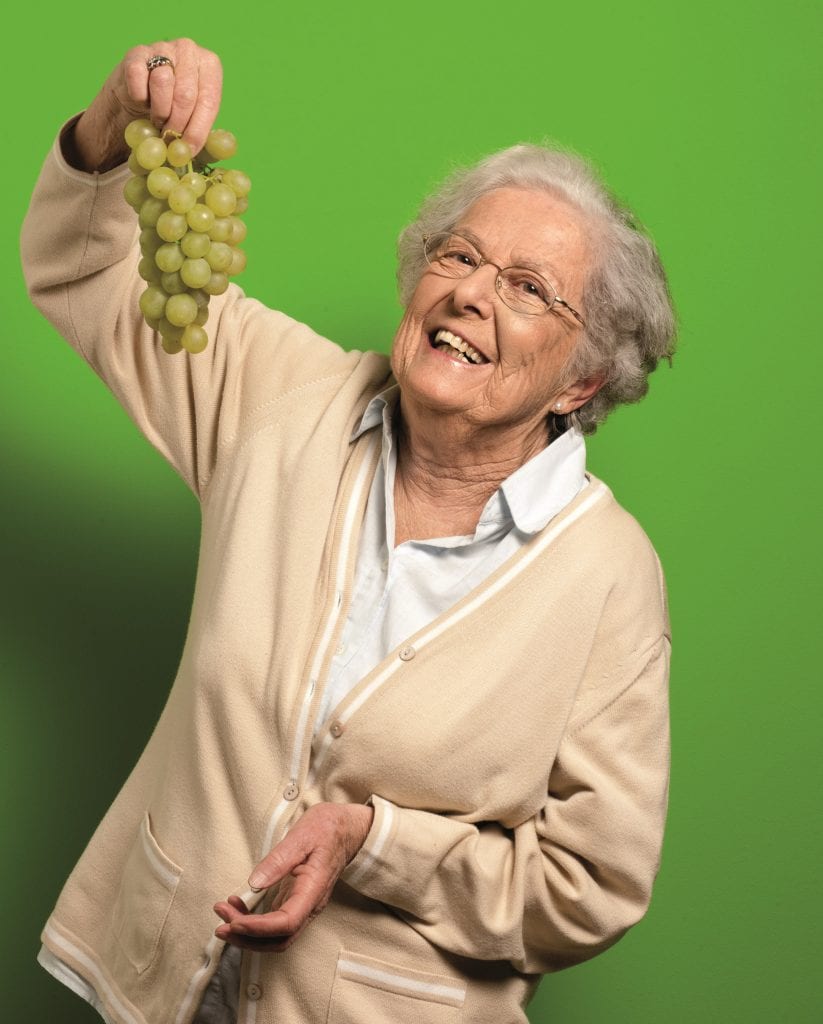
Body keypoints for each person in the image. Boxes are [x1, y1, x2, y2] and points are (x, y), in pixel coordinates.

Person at [22, 37, 675, 1024]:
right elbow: (82, 270)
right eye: (459, 254)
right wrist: (113, 119)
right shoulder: (283, 399)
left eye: (529, 287)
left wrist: (373, 844)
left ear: (581, 381)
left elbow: (590, 884)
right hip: (161, 982)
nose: (470, 292)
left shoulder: (608, 579)